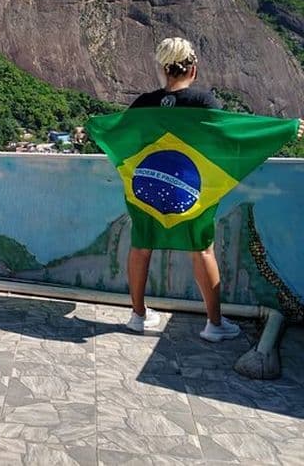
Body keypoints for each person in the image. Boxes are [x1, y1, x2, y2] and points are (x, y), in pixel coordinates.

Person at [125, 37, 304, 341]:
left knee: (141, 246)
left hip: (146, 190)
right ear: (192, 69)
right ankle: (214, 324)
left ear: (162, 69)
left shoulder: (144, 103)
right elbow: (233, 137)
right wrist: (282, 130)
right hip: (190, 192)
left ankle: (138, 316)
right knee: (202, 250)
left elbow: (122, 136)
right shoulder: (202, 103)